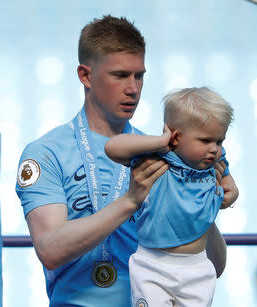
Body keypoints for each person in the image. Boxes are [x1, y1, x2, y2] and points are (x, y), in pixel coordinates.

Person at [15, 15, 238, 306]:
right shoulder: (45, 153)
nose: (133, 88)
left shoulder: (167, 156)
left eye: (139, 75)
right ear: (85, 76)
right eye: (120, 75)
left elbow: (215, 267)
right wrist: (131, 200)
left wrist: (200, 197)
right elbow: (50, 250)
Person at [104, 87, 236, 306]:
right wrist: (158, 142)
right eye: (205, 140)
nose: (215, 149)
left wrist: (231, 189)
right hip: (153, 264)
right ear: (175, 136)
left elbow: (228, 180)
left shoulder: (214, 163)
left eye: (219, 141)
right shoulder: (160, 158)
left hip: (197, 266)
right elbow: (112, 148)